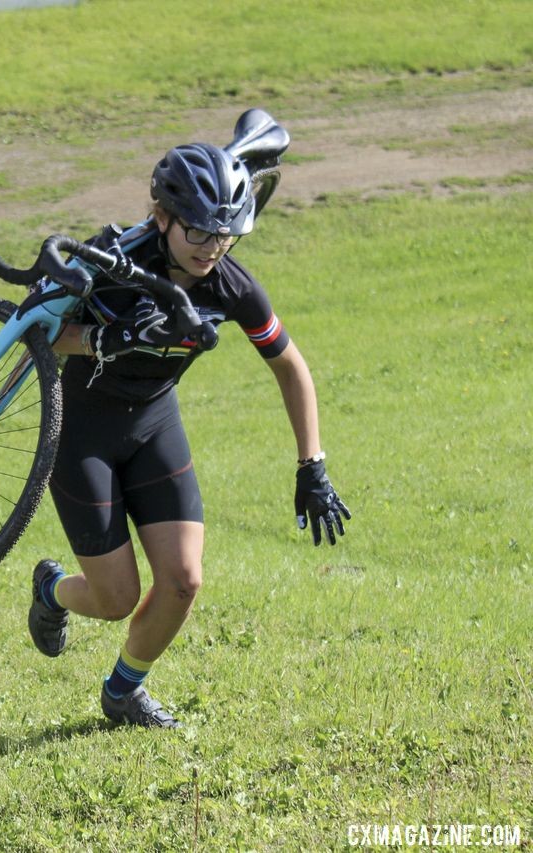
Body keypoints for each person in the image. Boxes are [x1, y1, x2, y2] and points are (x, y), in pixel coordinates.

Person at [27, 142, 351, 728]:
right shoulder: (112, 262)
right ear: (162, 220)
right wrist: (106, 338)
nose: (211, 248)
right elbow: (39, 333)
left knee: (182, 581)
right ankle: (51, 591)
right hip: (83, 430)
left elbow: (290, 366)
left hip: (154, 424)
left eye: (223, 235)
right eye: (198, 233)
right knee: (116, 598)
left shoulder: (231, 285)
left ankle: (123, 693)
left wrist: (313, 465)